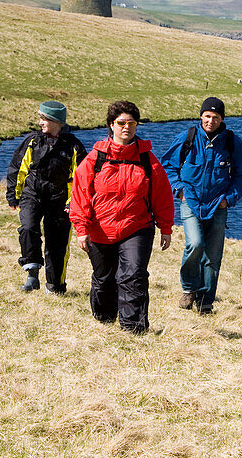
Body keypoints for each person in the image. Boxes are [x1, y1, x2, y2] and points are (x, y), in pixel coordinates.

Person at [69, 101, 174, 333]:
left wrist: (166, 228)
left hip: (137, 227)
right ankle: (104, 319)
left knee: (133, 276)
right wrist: (82, 229)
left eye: (132, 123)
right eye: (121, 123)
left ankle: (133, 328)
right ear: (111, 125)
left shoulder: (148, 160)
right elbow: (80, 195)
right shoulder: (95, 160)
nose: (126, 127)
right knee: (104, 279)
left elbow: (162, 196)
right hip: (100, 229)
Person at [161, 97, 242, 314]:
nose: (211, 121)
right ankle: (189, 289)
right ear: (201, 116)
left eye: (216, 117)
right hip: (190, 201)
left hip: (218, 205)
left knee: (213, 254)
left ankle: (206, 300)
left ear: (222, 119)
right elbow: (167, 165)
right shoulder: (188, 138)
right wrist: (180, 189)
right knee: (194, 243)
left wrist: (228, 199)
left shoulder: (231, 142)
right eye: (207, 116)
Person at [6, 100, 88, 294]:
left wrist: (73, 203)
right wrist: (13, 196)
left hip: (61, 201)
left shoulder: (74, 146)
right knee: (27, 229)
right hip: (32, 194)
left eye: (44, 118)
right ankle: (32, 275)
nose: (40, 122)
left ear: (56, 121)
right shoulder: (33, 141)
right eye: (40, 117)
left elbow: (82, 178)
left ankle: (55, 287)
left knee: (57, 245)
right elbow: (18, 168)